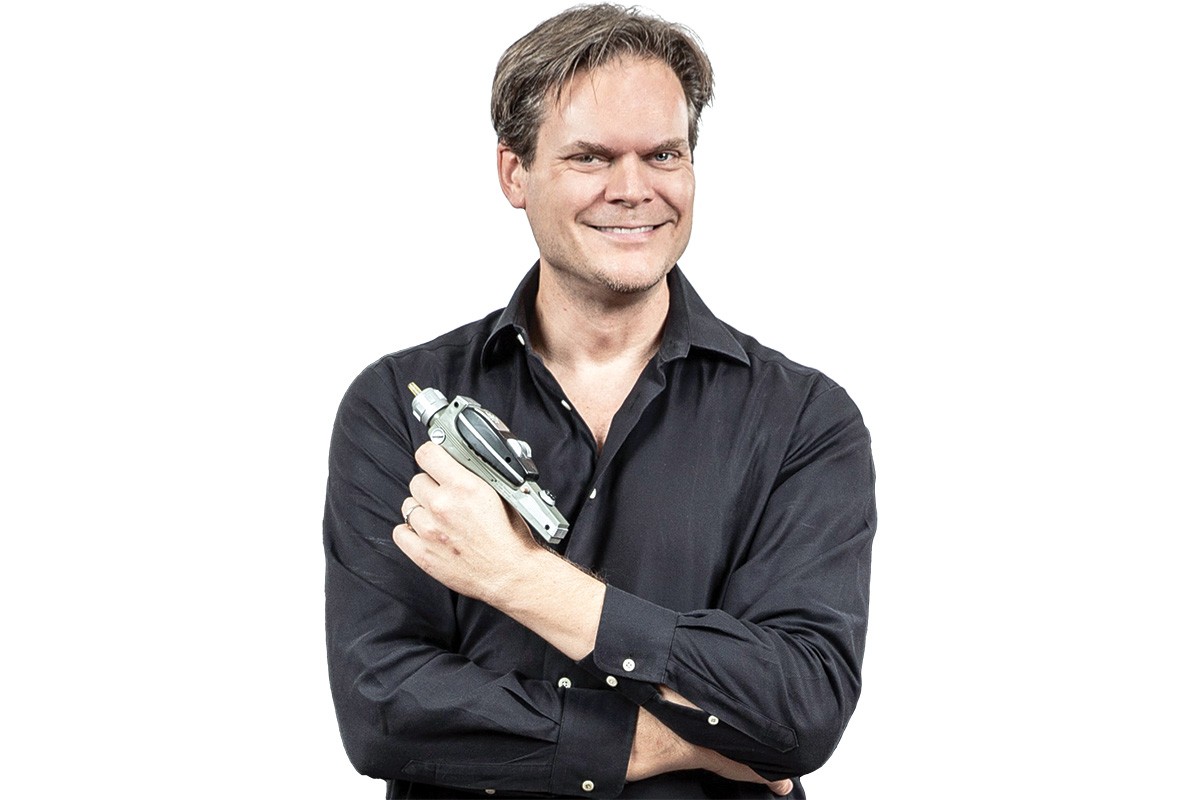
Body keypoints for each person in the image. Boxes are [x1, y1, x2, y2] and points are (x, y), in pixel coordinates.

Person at [324, 4, 876, 798]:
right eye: (590, 157)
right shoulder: (394, 407)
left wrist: (518, 578)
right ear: (514, 172)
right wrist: (678, 744)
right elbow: (383, 708)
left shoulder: (803, 422)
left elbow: (801, 708)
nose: (634, 189)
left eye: (663, 154)